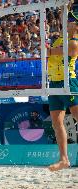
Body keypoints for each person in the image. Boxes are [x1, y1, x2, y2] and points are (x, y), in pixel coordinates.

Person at [47, 11, 78, 172]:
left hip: (68, 82)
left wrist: (49, 51)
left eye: (71, 22)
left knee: (76, 116)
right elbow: (62, 16)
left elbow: (71, 51)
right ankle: (64, 159)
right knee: (56, 123)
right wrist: (63, 7)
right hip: (54, 83)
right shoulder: (60, 37)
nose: (67, 23)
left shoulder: (75, 39)